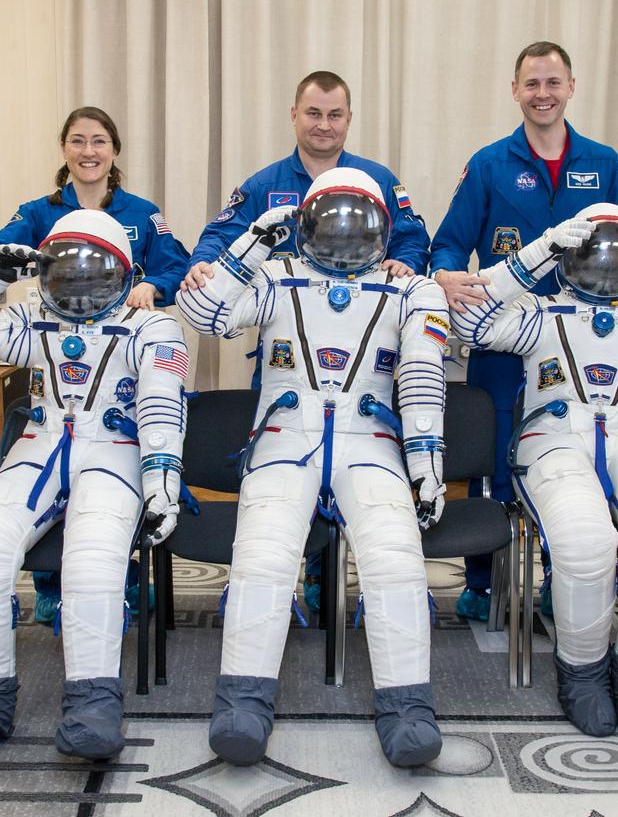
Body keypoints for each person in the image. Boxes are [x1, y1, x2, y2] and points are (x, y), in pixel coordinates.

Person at [177, 167, 448, 768]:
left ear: (382, 228)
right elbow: (201, 314)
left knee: (394, 557)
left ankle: (408, 705)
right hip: (284, 436)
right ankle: (242, 700)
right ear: (306, 224)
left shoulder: (412, 289)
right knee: (262, 555)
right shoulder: (276, 276)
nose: (346, 237)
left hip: (370, 438)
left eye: (360, 222)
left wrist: (427, 460)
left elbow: (424, 376)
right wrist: (250, 242)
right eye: (332, 221)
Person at [428, 41, 618, 622]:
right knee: (495, 463)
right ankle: (484, 582)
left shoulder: (602, 163)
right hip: (508, 336)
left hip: (586, 341)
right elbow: (451, 239)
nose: (543, 94)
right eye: (532, 84)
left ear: (571, 88)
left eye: (553, 83)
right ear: (515, 90)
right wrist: (448, 277)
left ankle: (566, 579)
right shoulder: (489, 164)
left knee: (579, 461)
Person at [451, 201, 618, 742]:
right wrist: (539, 250)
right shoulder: (542, 315)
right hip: (554, 442)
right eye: (592, 255)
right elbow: (467, 317)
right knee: (585, 541)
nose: (606, 270)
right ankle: (582, 672)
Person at [0, 209, 188, 759]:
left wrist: (162, 482)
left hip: (114, 454)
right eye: (66, 271)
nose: (79, 286)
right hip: (39, 447)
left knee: (92, 562)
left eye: (94, 272)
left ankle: (92, 703)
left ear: (123, 271)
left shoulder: (153, 325)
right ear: (45, 271)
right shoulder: (31, 319)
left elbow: (163, 408)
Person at [182, 70, 432, 615]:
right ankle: (277, 584)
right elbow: (220, 236)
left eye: (335, 114)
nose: (324, 125)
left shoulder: (377, 180)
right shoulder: (264, 183)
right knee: (283, 479)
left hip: (363, 361)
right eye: (313, 113)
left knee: (357, 472)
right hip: (286, 355)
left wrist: (403, 264)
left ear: (349, 118)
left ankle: (326, 581)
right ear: (294, 115)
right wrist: (205, 265)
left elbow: (415, 239)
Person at [0, 106, 188, 624]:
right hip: (56, 355)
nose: (89, 152)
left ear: (114, 151)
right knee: (35, 480)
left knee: (110, 496)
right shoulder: (39, 213)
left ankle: (119, 586)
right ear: (64, 149)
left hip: (119, 362)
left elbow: (178, 261)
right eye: (78, 141)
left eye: (99, 141)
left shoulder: (142, 212)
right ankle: (49, 586)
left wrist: (155, 286)